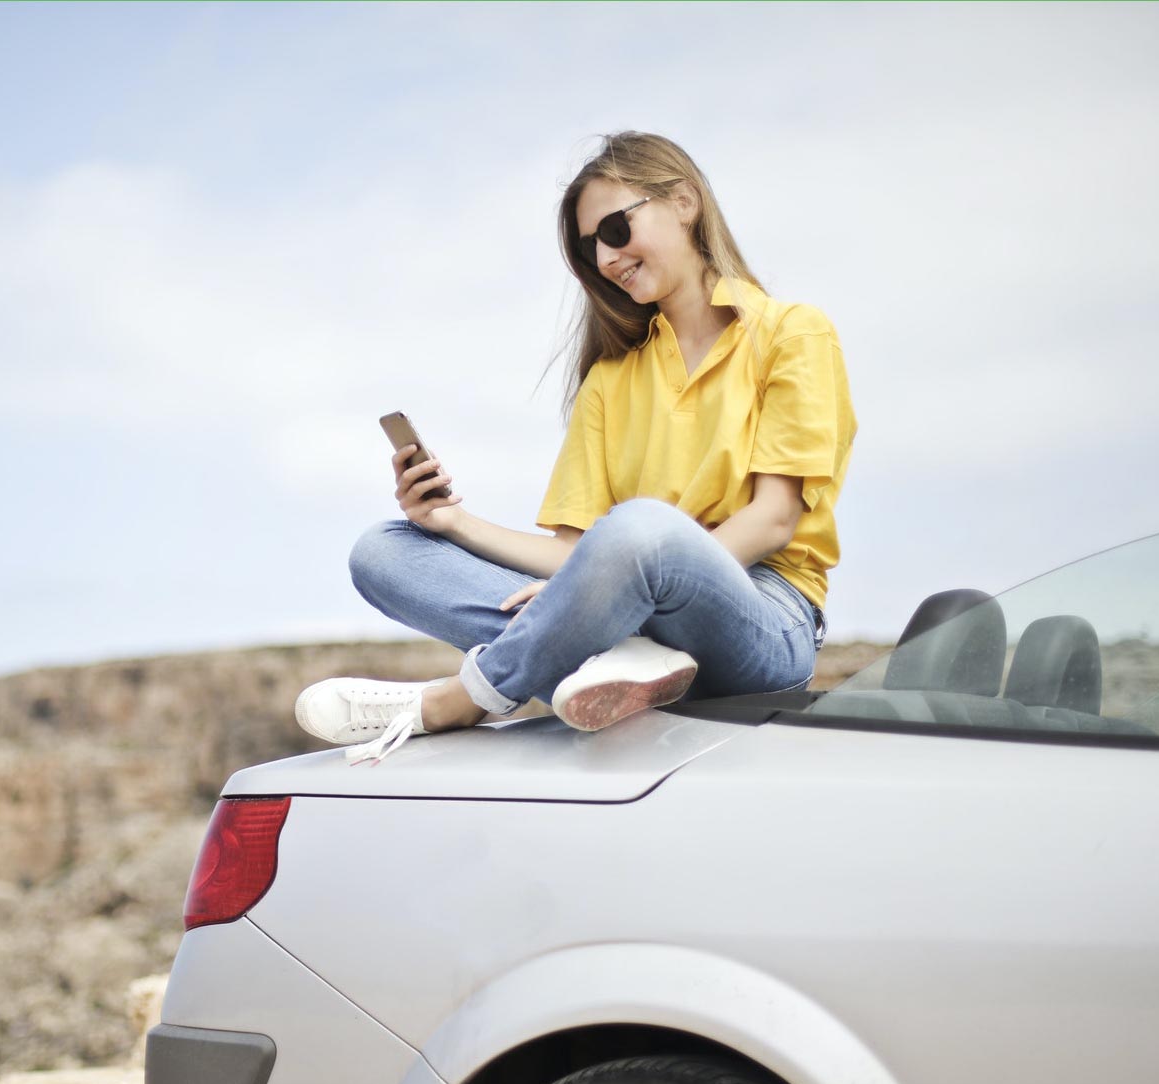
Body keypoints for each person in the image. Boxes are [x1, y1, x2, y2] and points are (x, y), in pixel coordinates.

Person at [296, 131, 856, 764]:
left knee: (644, 529)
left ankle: (460, 698)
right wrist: (452, 522)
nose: (607, 257)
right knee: (382, 551)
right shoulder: (610, 381)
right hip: (626, 612)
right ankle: (610, 657)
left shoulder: (793, 333)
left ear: (684, 202)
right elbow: (573, 554)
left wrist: (612, 584)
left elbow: (774, 518)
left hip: (761, 616)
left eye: (615, 229)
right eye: (591, 249)